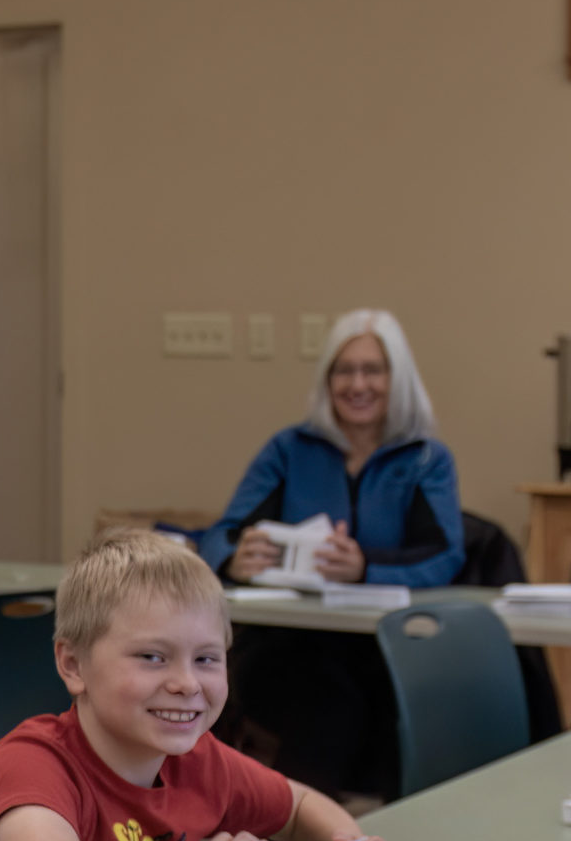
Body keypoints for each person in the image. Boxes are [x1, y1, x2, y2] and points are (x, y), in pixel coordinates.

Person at [0, 531, 401, 841]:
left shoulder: (200, 759)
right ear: (73, 664)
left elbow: (299, 806)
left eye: (206, 659)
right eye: (152, 657)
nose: (186, 684)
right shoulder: (31, 762)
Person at [197, 310, 463, 797]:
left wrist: (365, 567)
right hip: (292, 641)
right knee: (321, 700)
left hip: (385, 644)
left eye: (373, 370)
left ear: (397, 379)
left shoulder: (425, 457)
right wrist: (233, 557)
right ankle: (299, 834)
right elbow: (218, 535)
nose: (357, 384)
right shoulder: (289, 449)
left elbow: (445, 557)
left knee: (392, 699)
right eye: (344, 370)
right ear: (327, 380)